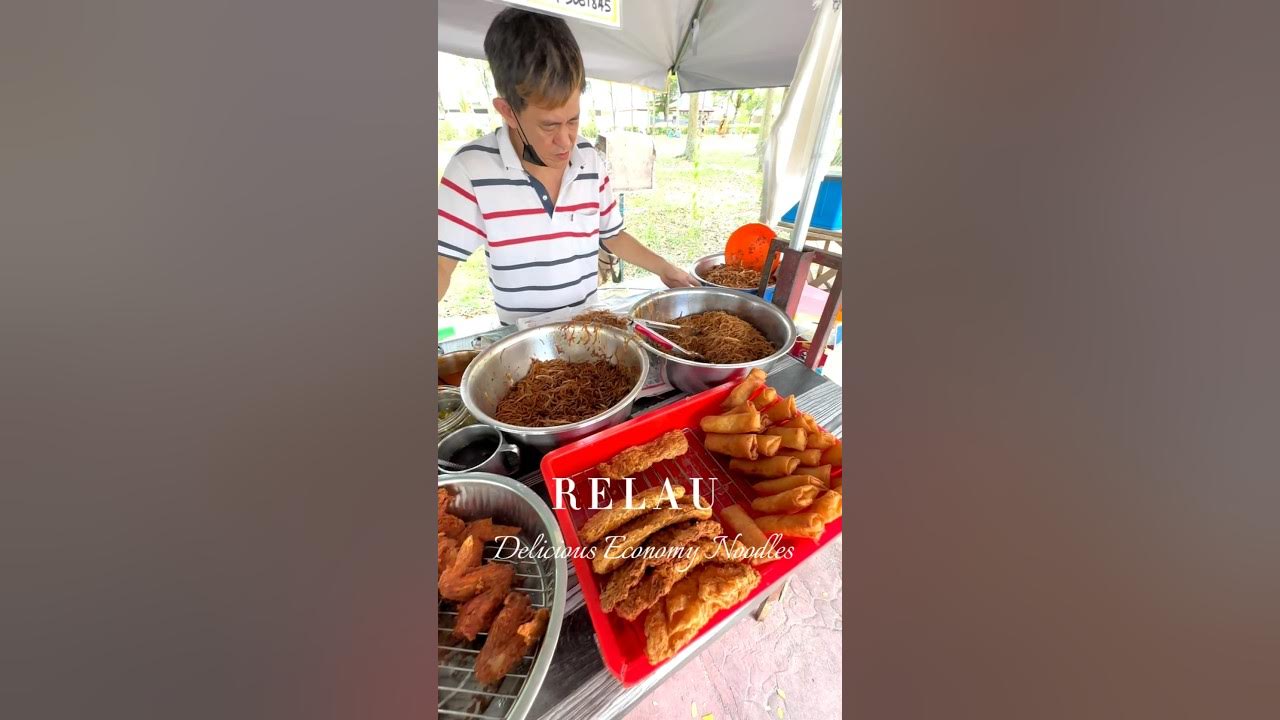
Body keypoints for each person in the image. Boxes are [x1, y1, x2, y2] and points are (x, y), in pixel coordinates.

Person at [437, 8, 699, 325]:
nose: (565, 142)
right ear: (507, 111)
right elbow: (440, 264)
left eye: (573, 120)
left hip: (589, 334)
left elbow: (613, 235)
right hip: (523, 343)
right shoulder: (472, 169)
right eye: (549, 126)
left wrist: (665, 269)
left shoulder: (589, 158)